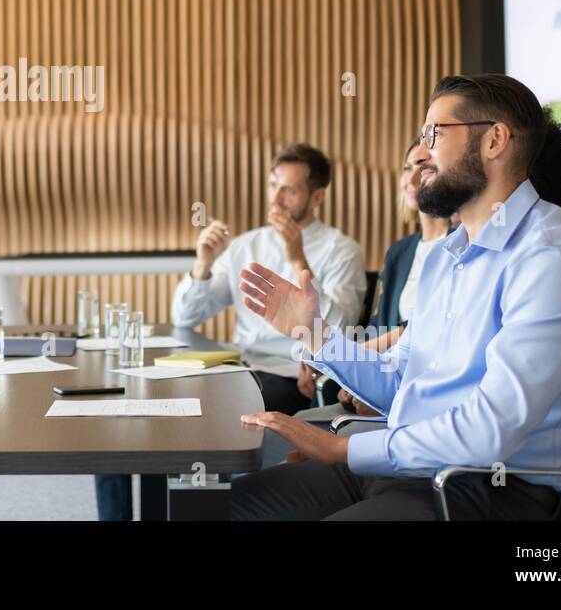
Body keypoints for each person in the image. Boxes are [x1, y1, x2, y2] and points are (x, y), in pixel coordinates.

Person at [232, 74, 561, 520]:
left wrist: (342, 450)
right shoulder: (447, 256)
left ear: (494, 140)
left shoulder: (551, 259)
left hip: (495, 489)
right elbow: (402, 383)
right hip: (417, 465)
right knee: (225, 506)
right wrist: (315, 334)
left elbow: (490, 430)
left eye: (435, 133)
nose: (421, 153)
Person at [94, 143, 367, 520]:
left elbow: (341, 328)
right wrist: (202, 266)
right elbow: (186, 316)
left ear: (317, 196)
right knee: (148, 411)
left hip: (287, 374)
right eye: (273, 185)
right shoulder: (246, 245)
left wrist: (295, 257)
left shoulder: (342, 251)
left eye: (290, 189)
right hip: (238, 366)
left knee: (214, 418)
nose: (277, 198)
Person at [294, 140, 452, 426]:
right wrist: (339, 364)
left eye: (425, 167)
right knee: (302, 418)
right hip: (386, 373)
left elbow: (429, 329)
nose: (412, 178)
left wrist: (346, 360)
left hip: (419, 384)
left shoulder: (460, 246)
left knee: (307, 424)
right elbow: (377, 327)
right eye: (407, 168)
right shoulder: (400, 252)